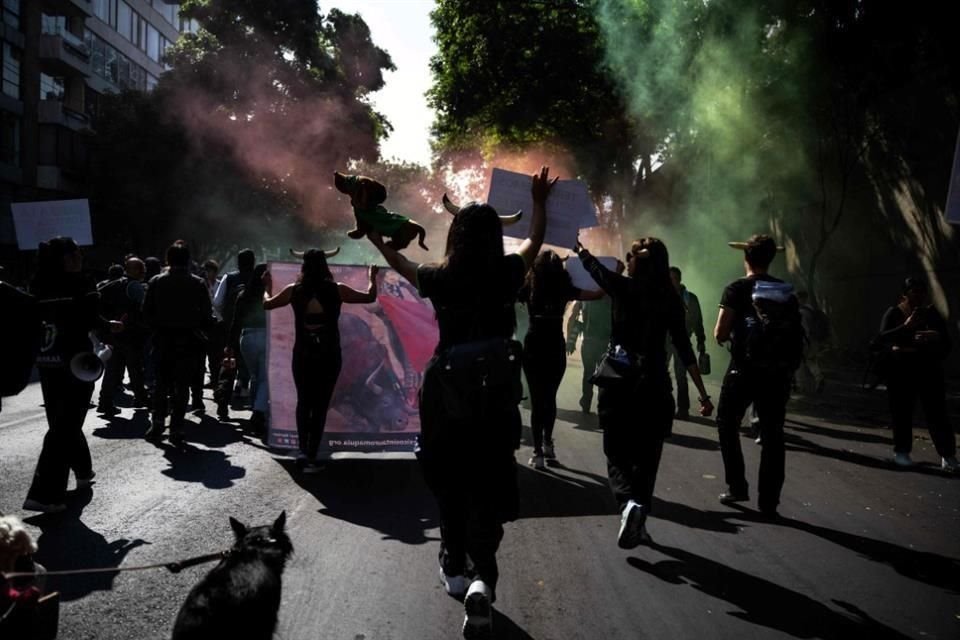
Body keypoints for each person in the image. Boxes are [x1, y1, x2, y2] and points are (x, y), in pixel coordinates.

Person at [367, 166, 554, 639]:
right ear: (496, 237)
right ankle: (483, 577)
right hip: (497, 392)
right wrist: (539, 202)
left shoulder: (440, 275)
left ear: (455, 234)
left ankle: (453, 564)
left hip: (446, 390)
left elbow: (399, 264)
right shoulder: (510, 271)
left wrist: (375, 234)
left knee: (446, 477)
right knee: (492, 476)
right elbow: (533, 241)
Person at [574, 237, 713, 548]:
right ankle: (639, 508)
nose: (627, 260)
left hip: (619, 383)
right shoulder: (672, 299)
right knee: (647, 458)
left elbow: (594, 269)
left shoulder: (624, 287)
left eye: (631, 256)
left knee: (616, 452)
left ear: (639, 262)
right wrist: (703, 395)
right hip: (655, 386)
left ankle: (628, 505)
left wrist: (578, 247)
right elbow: (684, 349)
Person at [23, 237, 122, 513]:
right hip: (77, 361)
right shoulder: (81, 283)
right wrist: (109, 327)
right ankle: (45, 494)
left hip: (47, 360)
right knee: (65, 425)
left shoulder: (37, 284)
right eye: (75, 253)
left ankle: (83, 471)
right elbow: (90, 319)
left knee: (62, 418)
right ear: (65, 258)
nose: (80, 257)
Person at [263, 251, 378, 472]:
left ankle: (303, 451)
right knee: (321, 404)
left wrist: (267, 286)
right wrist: (373, 276)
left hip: (303, 354)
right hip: (329, 354)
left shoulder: (293, 291)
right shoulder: (337, 289)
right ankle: (312, 455)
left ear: (304, 267)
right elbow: (369, 296)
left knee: (304, 402)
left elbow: (267, 304)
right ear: (325, 266)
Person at [713, 234, 801, 517]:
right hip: (776, 373)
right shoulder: (786, 291)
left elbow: (720, 333)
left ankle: (737, 486)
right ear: (770, 258)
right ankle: (769, 502)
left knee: (727, 423)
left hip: (743, 369)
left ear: (746, 258)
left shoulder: (736, 288)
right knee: (773, 434)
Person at [520, 250, 603, 469]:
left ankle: (538, 451)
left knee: (537, 400)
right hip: (554, 345)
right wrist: (614, 273)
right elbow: (596, 295)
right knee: (549, 397)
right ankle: (547, 443)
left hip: (534, 344)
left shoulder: (528, 286)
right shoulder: (564, 287)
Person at [874, 277, 958, 471]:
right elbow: (879, 340)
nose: (919, 295)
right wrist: (906, 327)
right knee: (902, 412)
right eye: (914, 291)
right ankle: (902, 452)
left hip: (929, 370)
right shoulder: (895, 313)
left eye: (922, 291)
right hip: (901, 372)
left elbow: (947, 345)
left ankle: (947, 455)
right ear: (905, 294)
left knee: (938, 414)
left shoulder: (932, 314)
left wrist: (935, 337)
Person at [142, 241, 214, 443]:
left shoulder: (156, 281)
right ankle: (176, 427)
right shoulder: (198, 283)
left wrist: (158, 328)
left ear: (168, 260)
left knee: (161, 383)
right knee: (182, 386)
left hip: (162, 340)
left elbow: (146, 313)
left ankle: (157, 421)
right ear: (188, 260)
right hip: (189, 342)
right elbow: (207, 316)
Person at [96, 257, 148, 414]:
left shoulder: (111, 285)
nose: (143, 271)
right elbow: (144, 310)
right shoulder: (135, 286)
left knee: (113, 369)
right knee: (135, 367)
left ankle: (104, 402)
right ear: (131, 269)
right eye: (140, 268)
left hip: (113, 334)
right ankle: (141, 398)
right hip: (130, 335)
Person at [214, 249, 255, 416]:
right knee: (253, 365)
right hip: (254, 329)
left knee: (229, 364)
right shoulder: (260, 278)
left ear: (238, 262)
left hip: (231, 329)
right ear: (253, 262)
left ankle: (223, 401)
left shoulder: (229, 278)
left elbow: (217, 302)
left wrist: (225, 317)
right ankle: (252, 403)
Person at [231, 263, 270, 437]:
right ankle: (259, 412)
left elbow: (235, 322)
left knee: (255, 376)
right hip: (266, 337)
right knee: (264, 378)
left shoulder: (243, 295)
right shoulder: (270, 295)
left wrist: (230, 346)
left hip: (246, 338)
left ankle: (255, 408)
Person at [666, 266, 707, 419]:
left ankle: (683, 409)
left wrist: (701, 342)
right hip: (663, 341)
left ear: (679, 280)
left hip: (682, 341)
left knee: (681, 375)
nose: (671, 283)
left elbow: (698, 322)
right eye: (668, 280)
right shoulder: (661, 296)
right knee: (660, 373)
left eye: (674, 279)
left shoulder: (690, 298)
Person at [796, 290, 828, 394]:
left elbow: (804, 329)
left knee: (799, 363)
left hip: (805, 340)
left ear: (801, 299)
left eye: (798, 298)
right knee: (811, 361)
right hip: (814, 340)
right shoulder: (811, 309)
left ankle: (801, 386)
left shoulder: (801, 312)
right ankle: (819, 378)